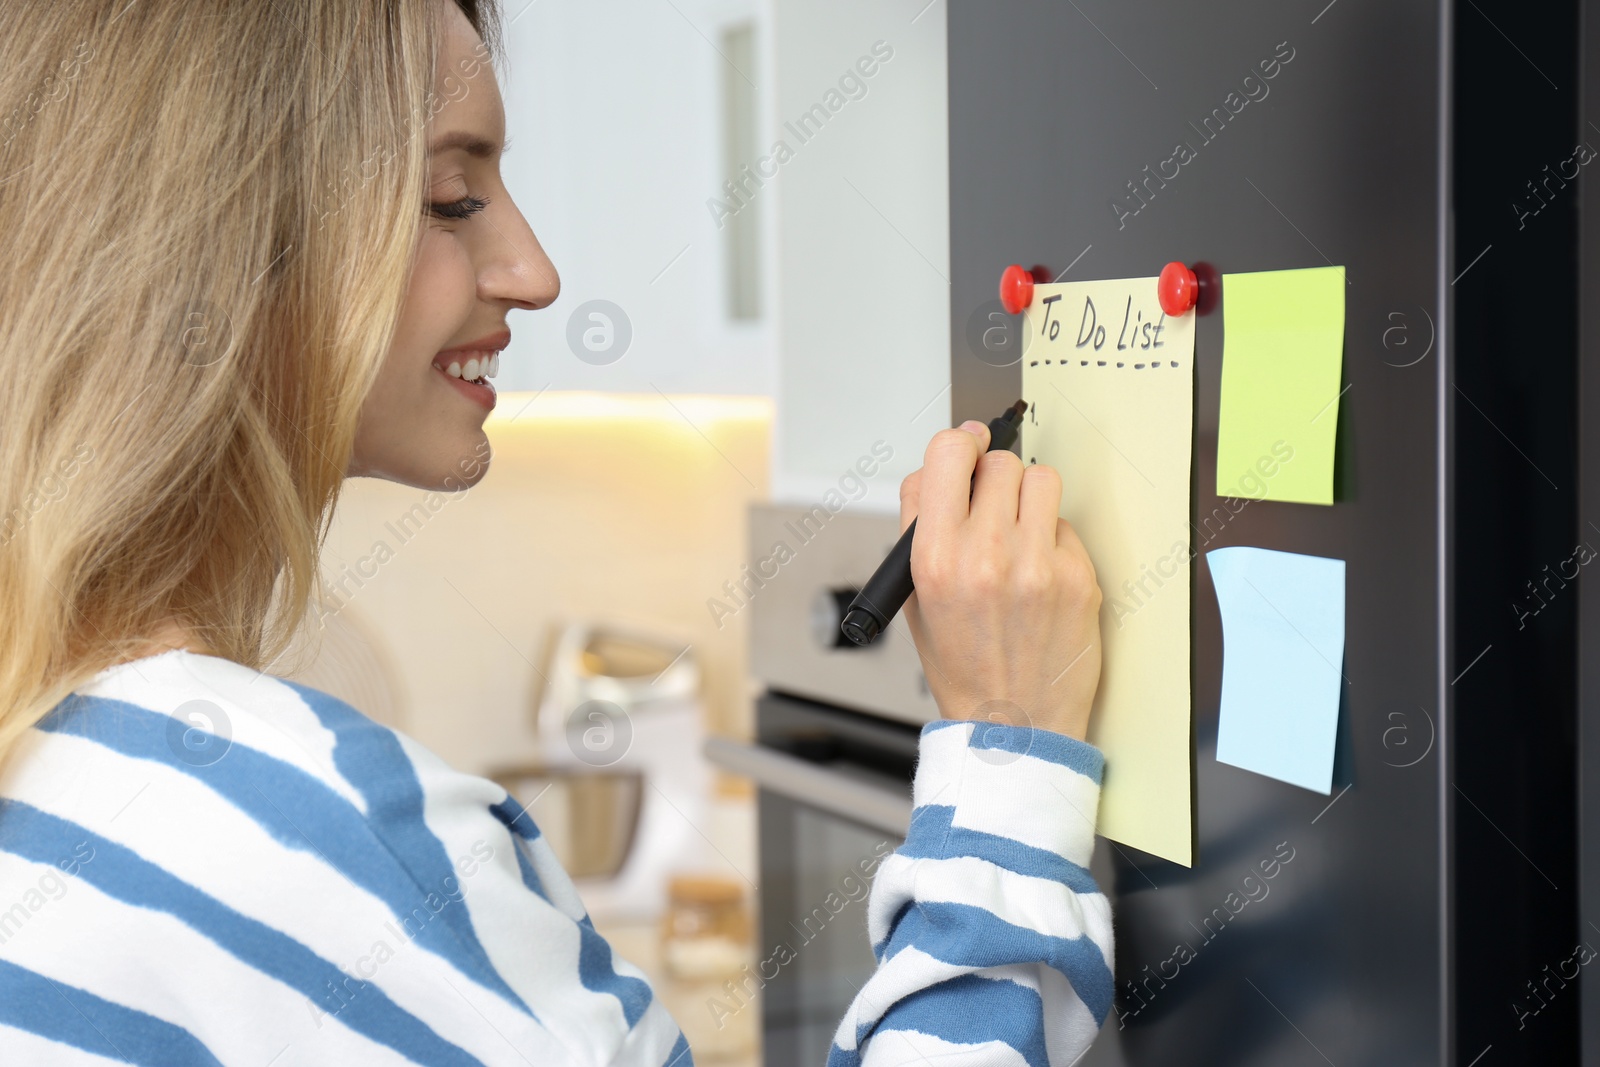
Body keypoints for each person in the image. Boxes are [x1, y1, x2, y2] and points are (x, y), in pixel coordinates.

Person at [0, 1, 1114, 1063]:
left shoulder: (52, 730)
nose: (535, 272)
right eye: (449, 198)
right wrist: (1007, 750)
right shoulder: (305, 829)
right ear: (214, 243)